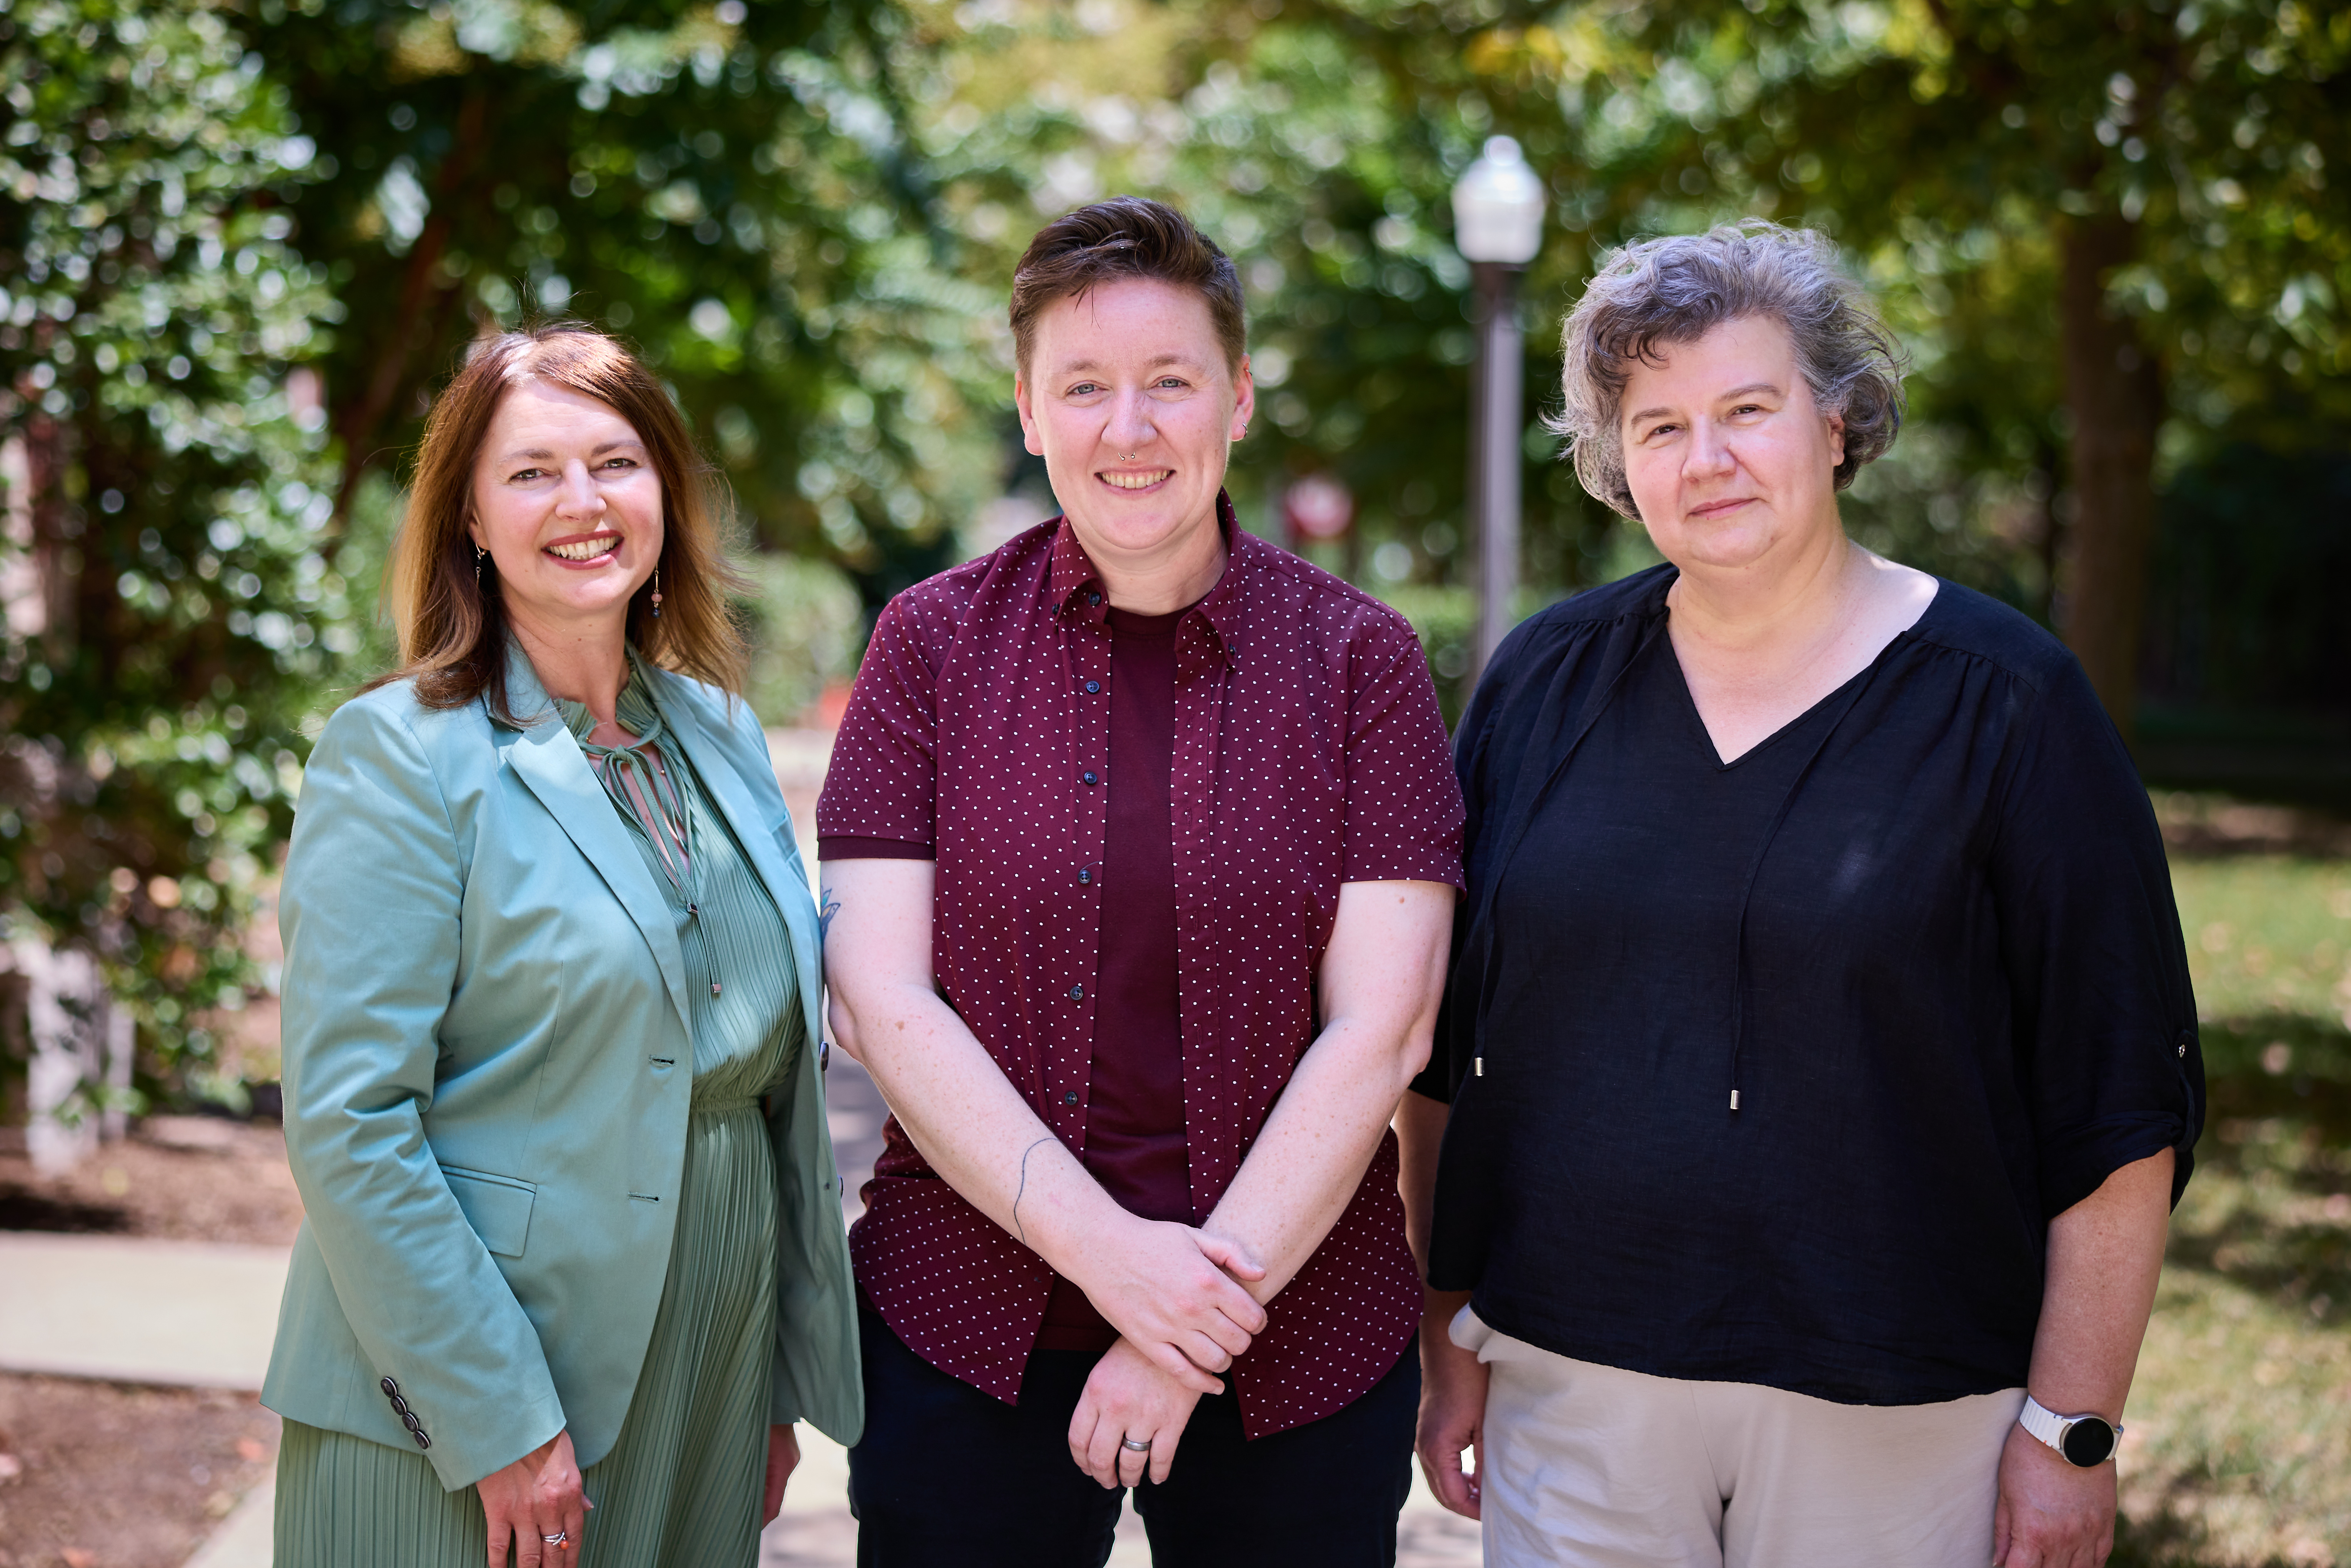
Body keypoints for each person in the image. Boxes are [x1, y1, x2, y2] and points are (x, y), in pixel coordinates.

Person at [1402, 221, 2203, 1568]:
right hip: (1574, 1383)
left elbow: (2118, 1097)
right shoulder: (1541, 685)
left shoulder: (2006, 704)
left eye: (1746, 410)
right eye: (1656, 426)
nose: (1703, 459)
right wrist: (1448, 1334)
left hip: (1899, 1406)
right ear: (1616, 466)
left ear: (1837, 422)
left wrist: (2072, 1425)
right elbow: (1442, 1055)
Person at [816, 196, 1465, 1566]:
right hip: (967, 1323)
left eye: (1169, 382)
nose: (1130, 428)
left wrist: (1185, 1328)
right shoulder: (928, 646)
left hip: (1296, 1343)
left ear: (1234, 397)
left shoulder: (1361, 662)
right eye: (1085, 388)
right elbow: (880, 1000)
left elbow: (1385, 1029)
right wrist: (1117, 1261)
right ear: (1030, 411)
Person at [263, 322, 860, 1568]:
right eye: (532, 471)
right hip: (483, 1386)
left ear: (665, 495)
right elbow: (350, 1122)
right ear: (471, 519)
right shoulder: (400, 758)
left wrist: (772, 1378)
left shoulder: (720, 730)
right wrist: (496, 1420)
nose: (581, 503)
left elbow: (766, 1084)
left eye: (616, 462)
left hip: (709, 1358)